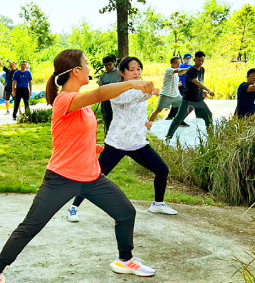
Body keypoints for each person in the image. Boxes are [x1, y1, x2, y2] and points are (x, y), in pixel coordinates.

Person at [0, 49, 157, 283]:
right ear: (76, 71)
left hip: (92, 178)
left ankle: (125, 260)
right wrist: (133, 83)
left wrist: (95, 148)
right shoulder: (64, 100)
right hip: (61, 179)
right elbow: (99, 94)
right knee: (31, 226)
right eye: (86, 64)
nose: (89, 69)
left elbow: (74, 135)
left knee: (126, 212)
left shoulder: (80, 105)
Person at [68, 56, 177, 222]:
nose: (136, 73)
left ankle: (158, 203)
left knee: (162, 169)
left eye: (138, 69)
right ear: (122, 73)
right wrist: (147, 93)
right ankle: (74, 207)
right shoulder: (116, 90)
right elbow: (129, 98)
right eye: (131, 70)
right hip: (117, 143)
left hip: (138, 142)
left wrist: (146, 122)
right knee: (95, 175)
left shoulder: (141, 88)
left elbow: (137, 110)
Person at [164, 50, 215, 142]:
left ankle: (212, 138)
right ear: (195, 60)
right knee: (179, 119)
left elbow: (200, 83)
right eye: (199, 60)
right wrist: (208, 89)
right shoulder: (190, 71)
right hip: (188, 101)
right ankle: (168, 137)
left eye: (202, 60)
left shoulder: (202, 70)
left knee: (208, 116)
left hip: (198, 100)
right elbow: (196, 82)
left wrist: (203, 92)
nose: (200, 62)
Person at [149, 56, 189, 124]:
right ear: (171, 63)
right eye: (176, 63)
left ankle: (180, 121)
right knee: (158, 110)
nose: (178, 65)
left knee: (184, 106)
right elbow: (178, 71)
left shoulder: (176, 72)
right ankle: (148, 123)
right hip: (166, 94)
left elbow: (180, 73)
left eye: (179, 63)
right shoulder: (169, 70)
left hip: (176, 95)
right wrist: (189, 68)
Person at [97, 55, 121, 133]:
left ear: (114, 63)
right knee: (108, 118)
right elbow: (100, 87)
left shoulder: (119, 73)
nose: (108, 67)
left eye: (109, 64)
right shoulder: (104, 76)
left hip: (118, 100)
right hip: (106, 101)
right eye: (106, 65)